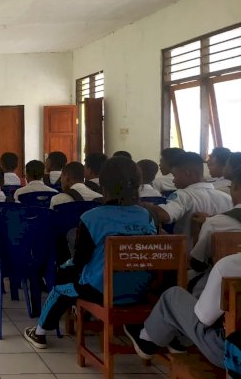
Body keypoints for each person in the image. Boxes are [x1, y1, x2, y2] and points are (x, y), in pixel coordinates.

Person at [23, 156, 157, 349]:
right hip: (140, 290)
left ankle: (40, 333)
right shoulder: (146, 216)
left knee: (62, 284)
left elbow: (79, 261)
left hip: (100, 291)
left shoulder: (92, 217)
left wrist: (63, 269)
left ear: (102, 185)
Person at [123, 252, 241, 368]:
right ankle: (178, 341)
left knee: (173, 296)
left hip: (231, 353)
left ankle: (148, 341)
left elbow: (204, 317)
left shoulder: (229, 266)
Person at [142, 152, 232, 251]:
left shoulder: (184, 195)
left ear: (187, 173)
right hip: (219, 256)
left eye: (175, 175)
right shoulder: (227, 198)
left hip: (187, 257)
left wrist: (139, 204)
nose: (173, 181)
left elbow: (164, 215)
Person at [188, 167, 241, 281]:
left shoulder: (214, 224)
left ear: (235, 187)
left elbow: (198, 265)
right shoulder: (215, 221)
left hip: (222, 291)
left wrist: (196, 233)